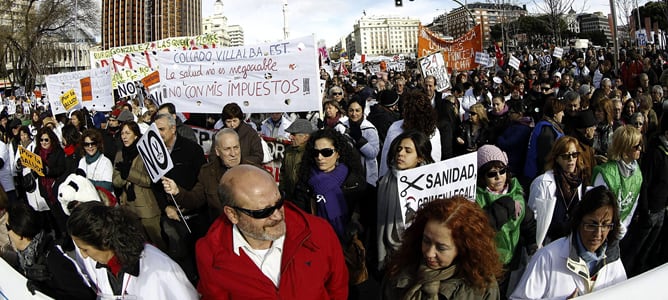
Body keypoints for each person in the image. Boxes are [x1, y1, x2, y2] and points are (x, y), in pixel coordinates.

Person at [196, 165, 349, 299]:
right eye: (263, 212)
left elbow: (338, 288)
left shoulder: (319, 231)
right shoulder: (210, 255)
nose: (277, 215)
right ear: (232, 214)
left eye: (279, 202)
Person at [510, 186, 627, 299]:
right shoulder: (547, 258)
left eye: (606, 225)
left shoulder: (613, 261)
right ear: (579, 221)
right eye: (591, 225)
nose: (598, 233)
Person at [67, 201, 197, 299]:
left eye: (85, 249)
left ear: (104, 241)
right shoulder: (102, 268)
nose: (84, 256)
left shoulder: (160, 270)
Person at [382, 196, 503, 300]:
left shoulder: (481, 286)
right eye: (426, 241)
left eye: (441, 248)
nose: (429, 253)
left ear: (463, 248)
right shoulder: (399, 269)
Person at [476, 144, 536, 297]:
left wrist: (531, 242)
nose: (498, 177)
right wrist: (507, 204)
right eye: (491, 174)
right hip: (487, 262)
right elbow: (484, 225)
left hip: (510, 258)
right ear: (482, 177)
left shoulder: (516, 190)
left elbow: (527, 220)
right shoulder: (478, 197)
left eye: (502, 171)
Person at [5, 202, 96, 299]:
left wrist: (46, 292)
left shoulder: (53, 258)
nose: (6, 232)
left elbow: (83, 295)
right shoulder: (25, 257)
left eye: (8, 227)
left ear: (19, 233)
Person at [377, 130, 434, 271]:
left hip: (418, 255)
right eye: (399, 149)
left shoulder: (430, 183)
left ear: (420, 158)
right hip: (391, 256)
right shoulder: (385, 181)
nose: (401, 154)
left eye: (408, 151)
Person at [293, 128, 365, 237]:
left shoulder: (354, 182)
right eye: (315, 152)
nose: (320, 157)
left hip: (345, 244)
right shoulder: (304, 183)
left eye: (326, 152)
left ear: (338, 153)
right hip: (316, 242)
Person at [162, 128, 243, 224]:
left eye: (236, 147)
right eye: (227, 149)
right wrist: (177, 192)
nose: (233, 154)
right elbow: (194, 200)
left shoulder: (255, 170)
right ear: (217, 151)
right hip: (221, 229)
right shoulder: (208, 173)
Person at [112, 121, 165, 250]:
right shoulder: (120, 154)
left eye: (127, 133)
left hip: (147, 208)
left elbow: (150, 180)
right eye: (122, 133)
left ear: (136, 135)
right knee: (141, 246)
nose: (124, 136)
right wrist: (124, 175)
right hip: (129, 207)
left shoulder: (145, 152)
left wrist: (129, 172)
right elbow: (116, 181)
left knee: (159, 245)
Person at [529, 136, 590, 248]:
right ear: (556, 158)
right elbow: (533, 218)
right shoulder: (542, 182)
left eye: (574, 155)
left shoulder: (579, 182)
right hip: (548, 243)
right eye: (565, 156)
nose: (571, 159)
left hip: (571, 243)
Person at [592, 125, 642, 240]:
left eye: (640, 145)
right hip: (599, 232)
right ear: (624, 149)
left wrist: (623, 226)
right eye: (636, 146)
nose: (640, 149)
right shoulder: (605, 173)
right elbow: (597, 207)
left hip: (617, 231)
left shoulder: (637, 172)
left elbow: (633, 202)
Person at [380, 91, 441, 176]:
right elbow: (387, 158)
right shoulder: (396, 128)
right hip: (396, 180)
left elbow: (434, 160)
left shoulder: (434, 132)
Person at [524, 97, 565, 181]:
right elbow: (545, 157)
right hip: (539, 176)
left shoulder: (547, 126)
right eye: (561, 111)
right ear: (555, 113)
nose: (563, 114)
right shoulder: (547, 130)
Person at [279, 119, 316, 202]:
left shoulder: (312, 153)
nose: (290, 137)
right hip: (289, 198)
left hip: (305, 200)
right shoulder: (288, 151)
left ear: (306, 137)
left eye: (293, 134)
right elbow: (283, 172)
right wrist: (282, 190)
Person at [78, 129, 114, 193]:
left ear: (98, 144)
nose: (90, 147)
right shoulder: (82, 161)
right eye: (87, 144)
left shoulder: (105, 162)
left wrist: (88, 182)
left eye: (93, 143)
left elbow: (108, 185)